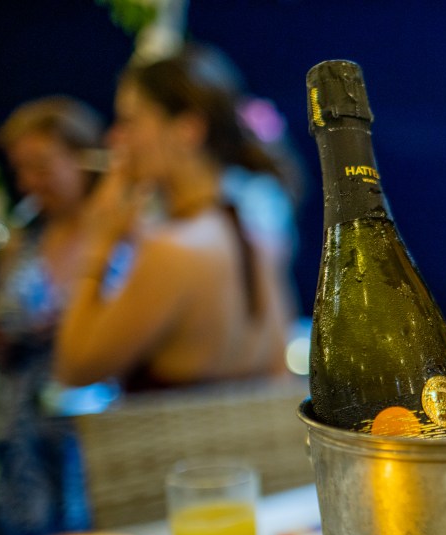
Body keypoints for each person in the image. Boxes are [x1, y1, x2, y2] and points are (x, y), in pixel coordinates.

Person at [53, 45, 291, 390]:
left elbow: (73, 369)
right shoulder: (257, 235)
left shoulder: (172, 250)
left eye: (129, 121)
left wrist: (98, 243)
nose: (115, 138)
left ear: (187, 130)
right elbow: (276, 369)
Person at [0, 96, 105, 535]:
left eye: (41, 165)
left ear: (82, 156)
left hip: (91, 424)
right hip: (22, 427)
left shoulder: (116, 234)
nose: (30, 182)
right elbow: (1, 313)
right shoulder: (21, 242)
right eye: (21, 169)